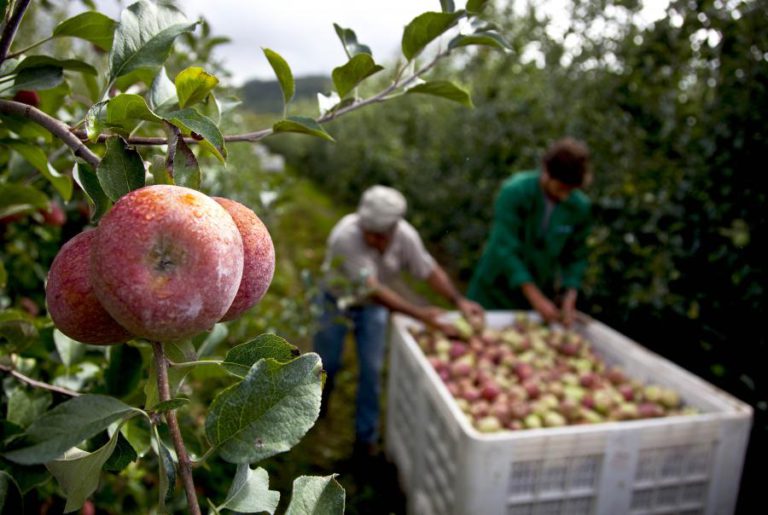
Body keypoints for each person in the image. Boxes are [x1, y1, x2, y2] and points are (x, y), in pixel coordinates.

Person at [313, 185, 484, 456]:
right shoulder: (345, 237)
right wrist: (421, 314)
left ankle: (365, 438)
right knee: (325, 362)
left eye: (380, 236)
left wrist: (458, 300)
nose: (373, 240)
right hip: (337, 300)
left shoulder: (405, 236)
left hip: (372, 308)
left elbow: (428, 270)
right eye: (369, 233)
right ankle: (314, 408)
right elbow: (372, 289)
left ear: (393, 229)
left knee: (371, 369)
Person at [467, 137, 593, 327]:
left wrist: (570, 293)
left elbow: (576, 256)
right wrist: (536, 298)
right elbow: (505, 248)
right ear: (546, 173)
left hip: (536, 293)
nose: (564, 195)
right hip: (495, 291)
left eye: (570, 190)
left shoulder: (579, 207)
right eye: (561, 188)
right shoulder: (515, 192)